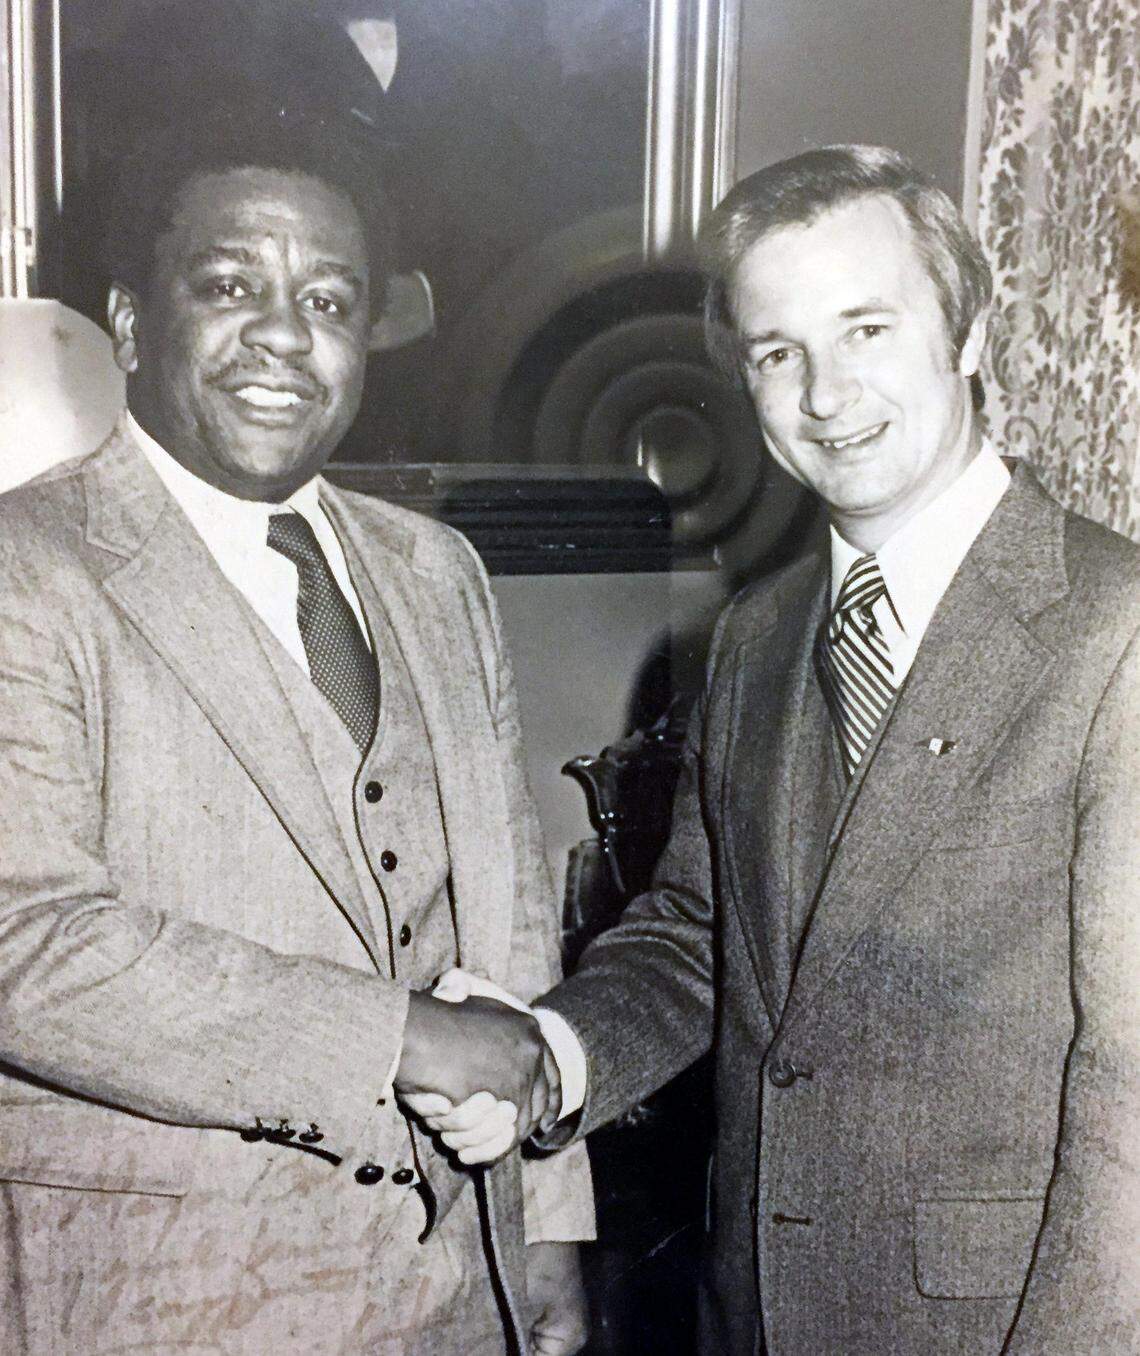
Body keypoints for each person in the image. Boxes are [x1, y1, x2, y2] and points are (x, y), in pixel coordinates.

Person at [415, 145, 1140, 1354]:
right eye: (777, 352)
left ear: (967, 334)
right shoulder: (756, 635)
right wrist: (553, 1054)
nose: (825, 392)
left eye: (866, 329)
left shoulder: (1116, 633)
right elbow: (708, 932)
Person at [0, 105, 591, 1355]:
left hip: (454, 1302)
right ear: (127, 320)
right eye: (228, 285)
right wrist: (405, 1038)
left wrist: (545, 1231)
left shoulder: (438, 572)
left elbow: (511, 915)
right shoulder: (24, 569)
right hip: (155, 1299)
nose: (283, 334)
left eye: (328, 302)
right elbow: (27, 946)